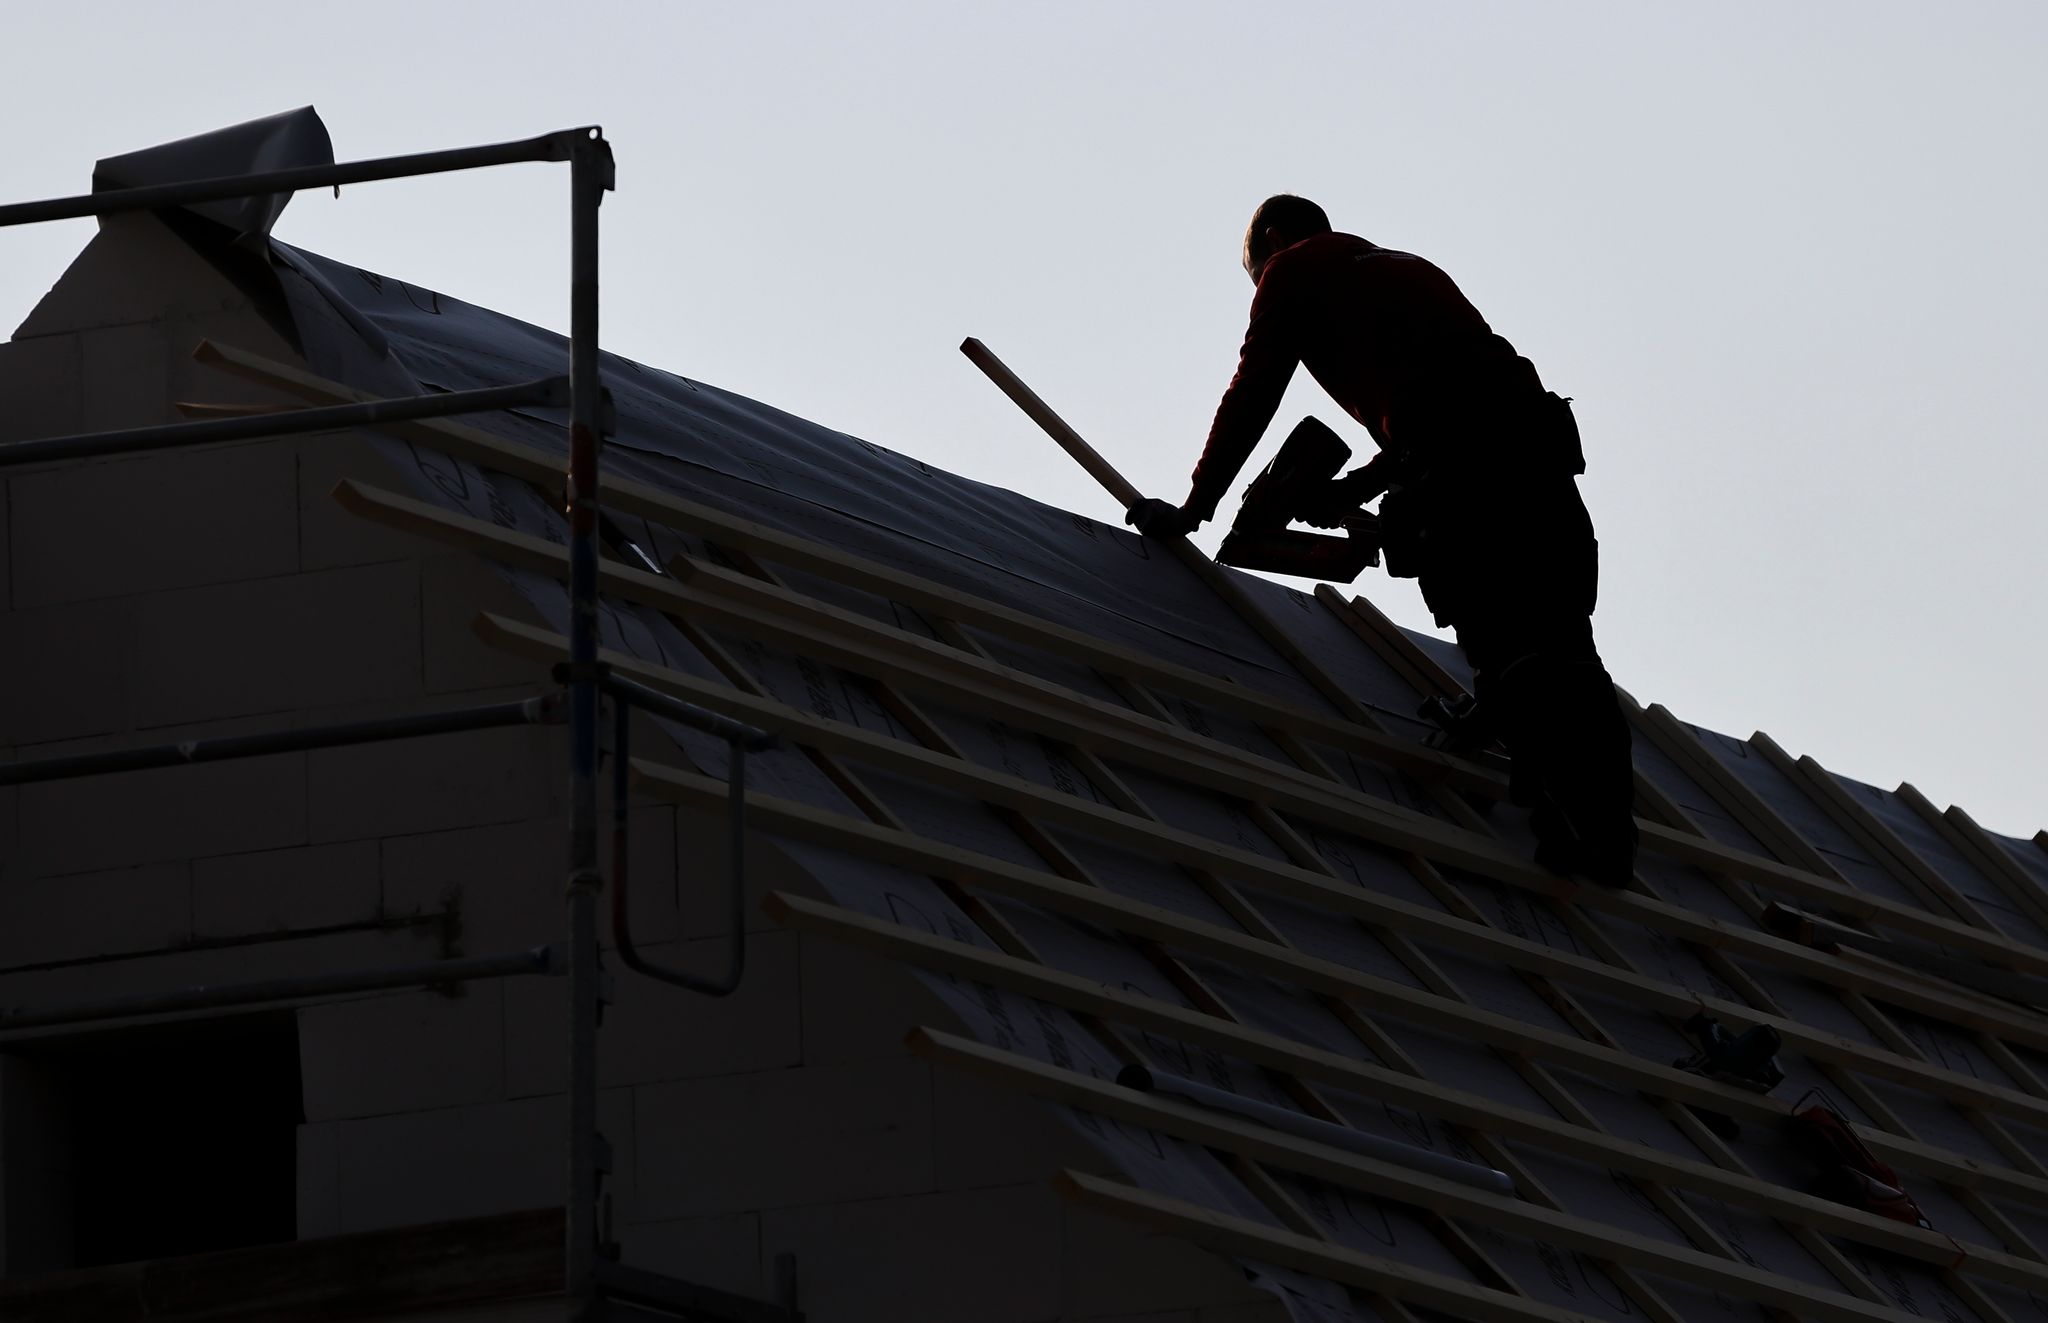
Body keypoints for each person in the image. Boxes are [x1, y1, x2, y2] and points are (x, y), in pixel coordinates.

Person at [1126, 194, 1636, 884]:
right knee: (1561, 637)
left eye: (1256, 277)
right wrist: (1355, 490)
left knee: (1506, 634)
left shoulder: (1293, 269)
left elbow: (1256, 385)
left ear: (1275, 240)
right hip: (1535, 453)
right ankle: (1608, 831)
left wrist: (1196, 503)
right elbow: (1441, 402)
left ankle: (1570, 843)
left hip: (1466, 470)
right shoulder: (1403, 270)